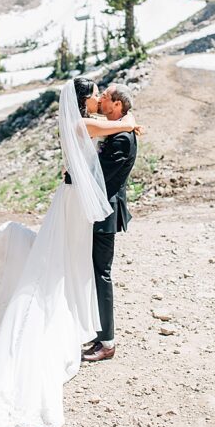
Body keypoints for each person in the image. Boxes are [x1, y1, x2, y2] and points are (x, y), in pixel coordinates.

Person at [0, 77, 141, 427]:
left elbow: (101, 158)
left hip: (78, 206)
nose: (100, 98)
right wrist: (130, 122)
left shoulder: (96, 127)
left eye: (104, 95)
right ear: (84, 100)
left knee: (66, 264)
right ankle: (14, 238)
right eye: (95, 94)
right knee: (62, 264)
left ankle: (14, 240)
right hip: (76, 206)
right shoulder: (84, 123)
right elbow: (105, 134)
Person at [81, 84, 139, 363]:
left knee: (102, 275)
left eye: (105, 98)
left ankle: (108, 342)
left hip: (104, 215)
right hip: (98, 212)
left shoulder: (122, 139)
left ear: (117, 105)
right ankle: (97, 331)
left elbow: (99, 177)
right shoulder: (118, 129)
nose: (101, 100)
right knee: (92, 273)